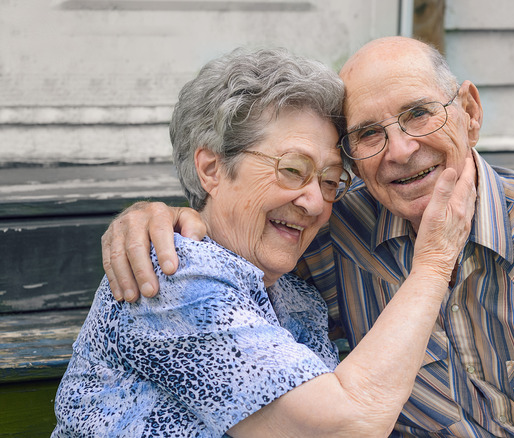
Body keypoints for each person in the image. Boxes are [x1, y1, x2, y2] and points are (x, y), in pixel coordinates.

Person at [101, 38, 514, 437]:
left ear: (471, 113)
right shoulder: (336, 235)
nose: (399, 149)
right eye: (368, 133)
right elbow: (238, 234)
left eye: (420, 114)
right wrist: (165, 212)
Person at [53, 47, 476, 437]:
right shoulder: (172, 278)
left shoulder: (296, 299)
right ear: (212, 168)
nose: (314, 202)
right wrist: (435, 263)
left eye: (329, 181)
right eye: (293, 169)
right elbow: (348, 426)